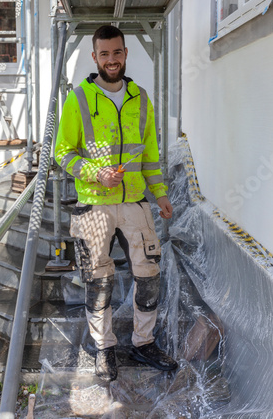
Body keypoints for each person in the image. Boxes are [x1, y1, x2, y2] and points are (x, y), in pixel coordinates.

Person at [55, 25, 178, 381]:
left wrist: (160, 193)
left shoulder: (141, 98)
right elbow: (62, 153)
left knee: (149, 276)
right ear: (95, 57)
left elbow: (151, 155)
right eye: (104, 54)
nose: (112, 60)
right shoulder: (79, 98)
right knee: (98, 281)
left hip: (135, 201)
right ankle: (104, 348)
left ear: (126, 54)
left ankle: (143, 344)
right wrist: (96, 174)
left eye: (117, 52)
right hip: (94, 203)